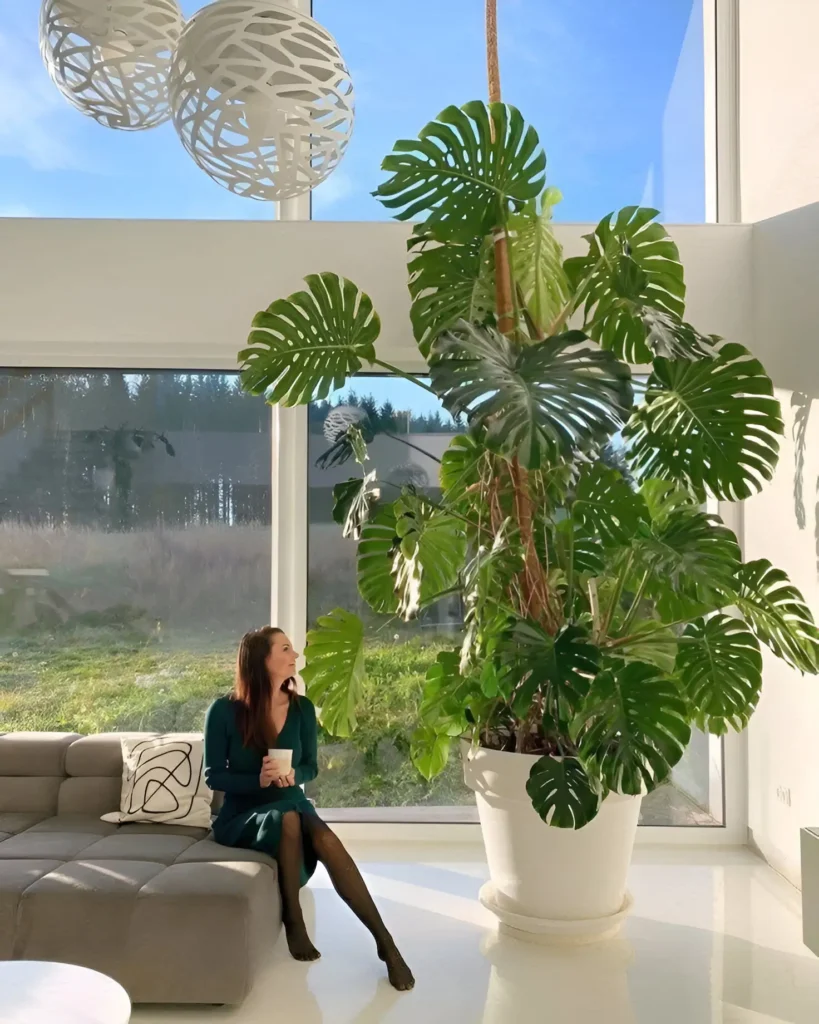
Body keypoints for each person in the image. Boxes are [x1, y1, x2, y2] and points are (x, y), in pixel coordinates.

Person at [203, 626, 415, 992]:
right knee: (286, 818)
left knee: (326, 838)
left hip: (292, 801)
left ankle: (386, 944)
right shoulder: (223, 711)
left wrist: (291, 775)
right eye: (285, 649)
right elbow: (213, 777)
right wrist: (260, 780)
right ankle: (294, 921)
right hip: (242, 813)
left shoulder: (302, 709)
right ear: (262, 660)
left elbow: (311, 768)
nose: (294, 655)